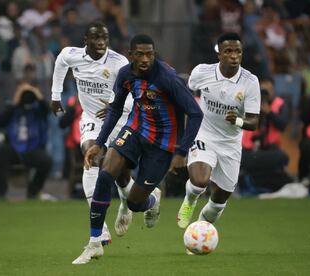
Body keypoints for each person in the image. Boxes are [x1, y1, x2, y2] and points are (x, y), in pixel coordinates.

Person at [82, 34, 203, 261]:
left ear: (154, 54)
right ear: (131, 56)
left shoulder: (167, 79)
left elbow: (195, 113)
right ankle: (94, 241)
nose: (145, 59)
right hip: (136, 130)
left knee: (135, 203)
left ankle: (152, 201)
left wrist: (181, 151)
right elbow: (116, 109)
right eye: (140, 54)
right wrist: (99, 143)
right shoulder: (126, 74)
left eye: (149, 54)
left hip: (162, 144)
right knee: (105, 173)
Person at [50, 21, 132, 265]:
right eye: (96, 37)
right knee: (91, 159)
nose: (101, 42)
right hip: (91, 119)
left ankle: (128, 204)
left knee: (122, 178)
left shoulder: (119, 63)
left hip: (119, 121)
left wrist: (117, 106)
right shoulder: (71, 54)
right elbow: (59, 65)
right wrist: (55, 96)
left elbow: (135, 94)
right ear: (86, 39)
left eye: (104, 37)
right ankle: (100, 233)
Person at [176, 33, 260, 242]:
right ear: (219, 54)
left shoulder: (250, 82)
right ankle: (190, 199)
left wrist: (238, 121)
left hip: (231, 144)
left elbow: (254, 122)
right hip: (204, 133)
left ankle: (198, 235)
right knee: (199, 182)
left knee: (219, 201)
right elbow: (183, 92)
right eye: (228, 51)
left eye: (238, 51)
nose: (234, 56)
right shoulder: (201, 72)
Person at [0, 83, 52, 199]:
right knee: (0, 152)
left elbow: (47, 110)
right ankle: (0, 193)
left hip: (32, 149)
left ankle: (33, 191)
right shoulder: (13, 109)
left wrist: (35, 92)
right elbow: (0, 122)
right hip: (14, 149)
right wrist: (15, 100)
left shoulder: (38, 111)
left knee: (47, 161)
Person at [240, 78, 291, 193]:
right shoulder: (248, 102)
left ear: (273, 91)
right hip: (249, 148)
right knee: (241, 158)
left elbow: (282, 125)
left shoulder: (279, 104)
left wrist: (270, 112)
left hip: (270, 148)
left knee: (282, 157)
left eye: (268, 90)